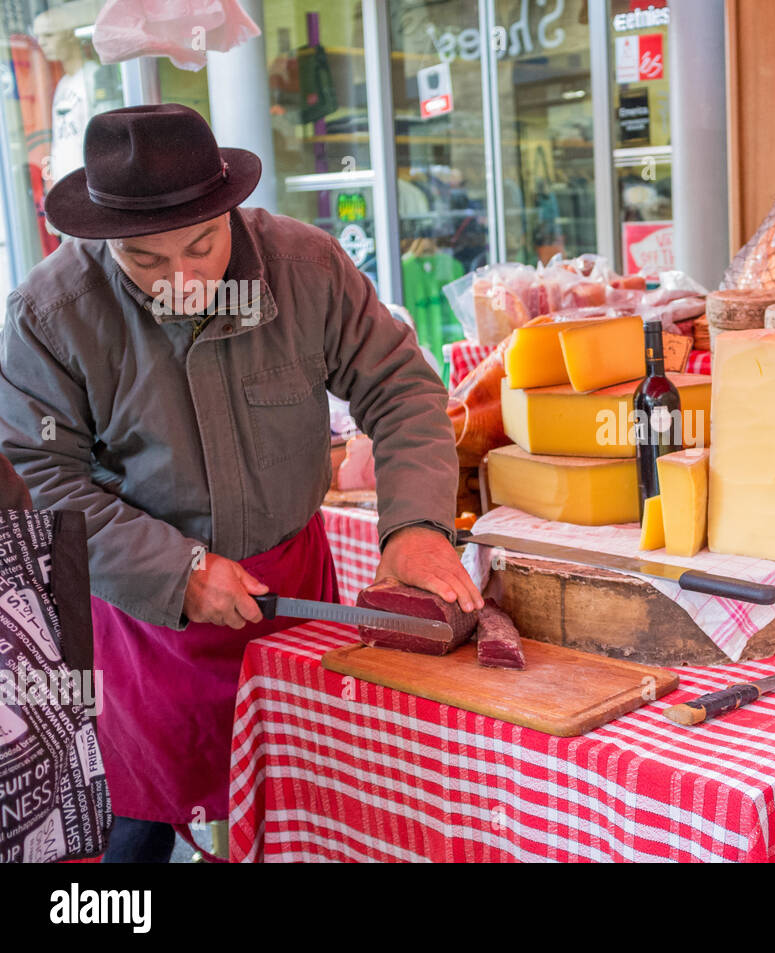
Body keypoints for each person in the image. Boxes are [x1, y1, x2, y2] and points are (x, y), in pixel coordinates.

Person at [0, 104, 483, 862]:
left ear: (230, 207)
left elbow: (400, 387)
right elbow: (43, 480)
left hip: (292, 589)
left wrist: (417, 524)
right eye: (147, 263)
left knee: (307, 812)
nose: (185, 282)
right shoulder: (50, 316)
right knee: (133, 835)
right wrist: (176, 572)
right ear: (99, 238)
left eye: (201, 246)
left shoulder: (304, 268)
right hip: (144, 619)